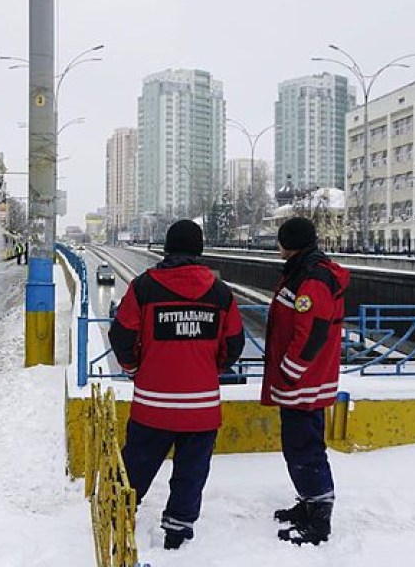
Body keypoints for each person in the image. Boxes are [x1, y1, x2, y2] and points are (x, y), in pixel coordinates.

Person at [109, 219, 245, 550]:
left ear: (167, 248)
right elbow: (235, 342)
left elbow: (121, 334)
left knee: (137, 464)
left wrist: (133, 369)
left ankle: (117, 514)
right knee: (191, 471)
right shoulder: (220, 293)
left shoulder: (144, 287)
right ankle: (178, 528)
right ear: (199, 251)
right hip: (201, 407)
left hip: (153, 404)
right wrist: (211, 369)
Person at [263, 217, 350, 546]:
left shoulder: (311, 279)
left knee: (305, 448)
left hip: (303, 382)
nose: (278, 248)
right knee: (298, 445)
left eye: (281, 241)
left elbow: (312, 333)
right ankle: (309, 502)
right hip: (302, 380)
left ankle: (319, 517)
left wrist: (289, 371)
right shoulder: (303, 271)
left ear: (290, 243)